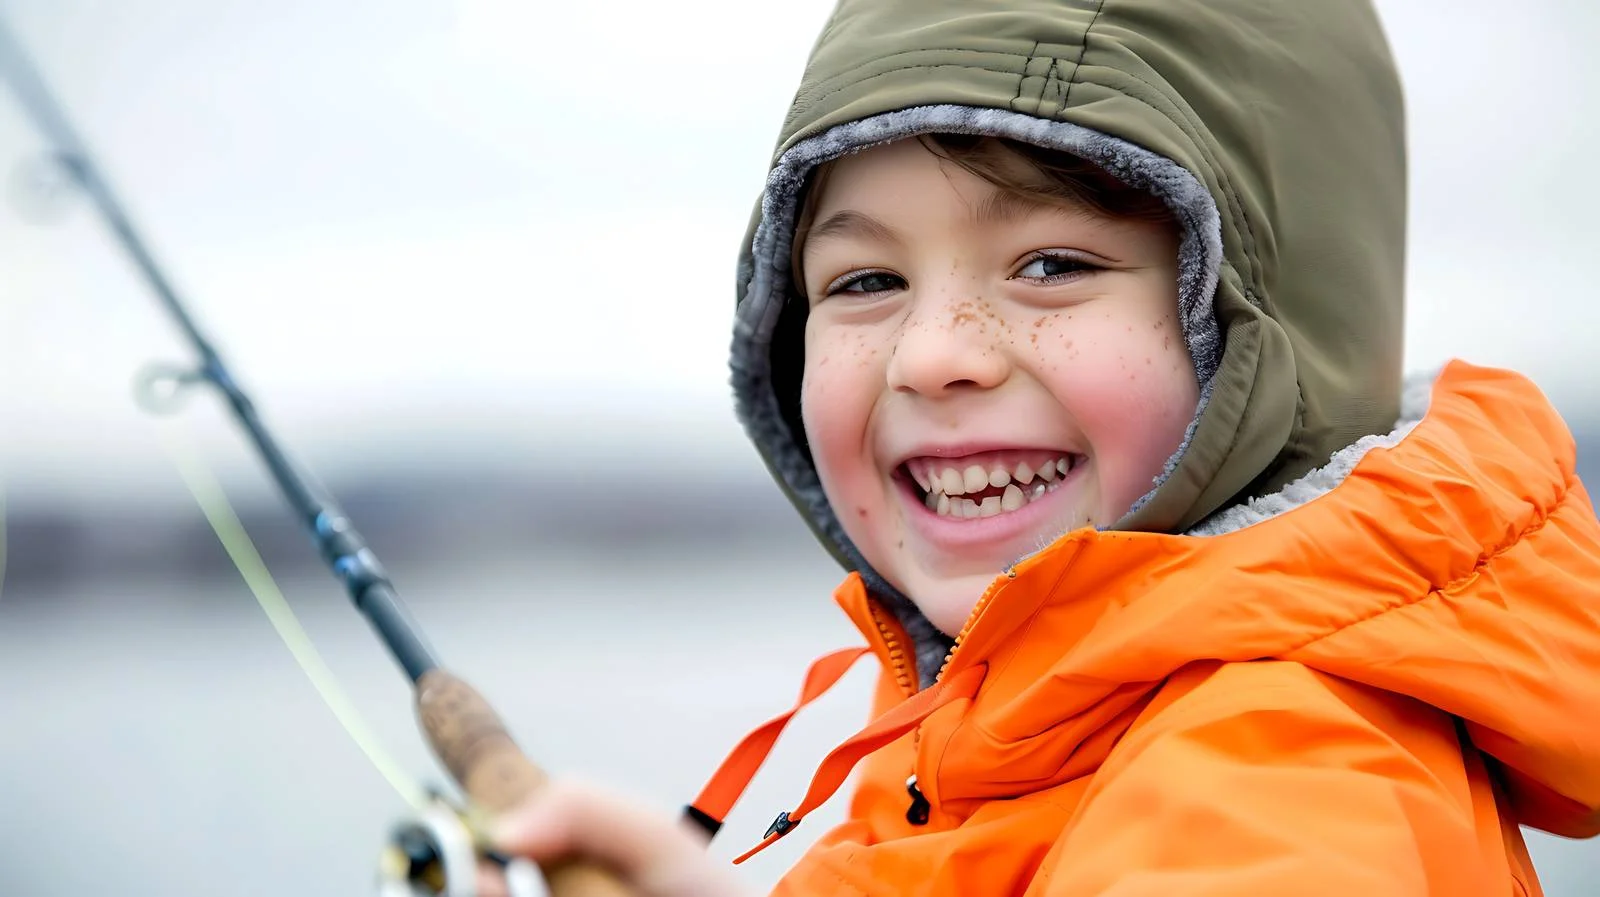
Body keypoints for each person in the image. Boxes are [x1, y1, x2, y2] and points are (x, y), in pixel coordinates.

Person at [486, 0, 1600, 894]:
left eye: (1053, 264)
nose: (931, 357)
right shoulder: (1035, 732)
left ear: (1277, 319)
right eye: (866, 282)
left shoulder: (1275, 785)